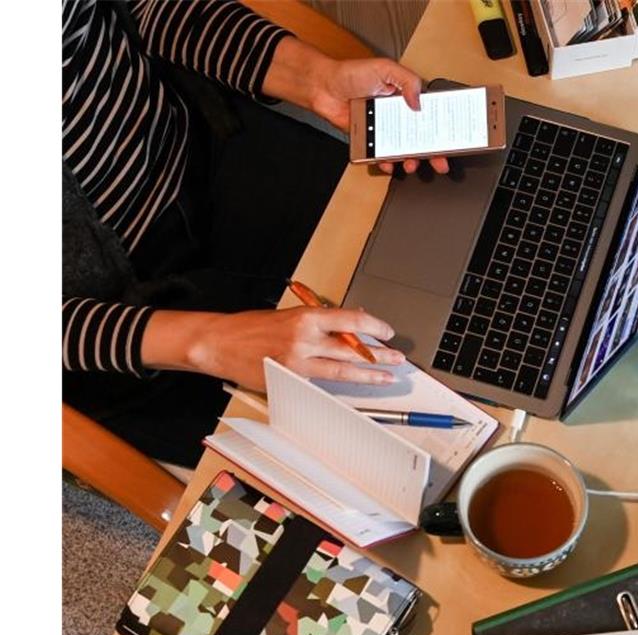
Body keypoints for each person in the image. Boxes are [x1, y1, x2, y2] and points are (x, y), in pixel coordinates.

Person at [62, 0, 446, 466]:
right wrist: (208, 344)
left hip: (206, 152)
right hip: (114, 330)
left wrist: (314, 78)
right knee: (380, 463)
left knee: (452, 274)